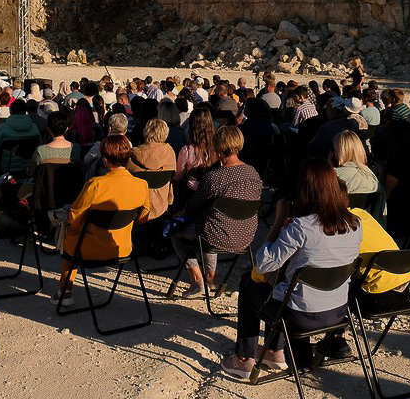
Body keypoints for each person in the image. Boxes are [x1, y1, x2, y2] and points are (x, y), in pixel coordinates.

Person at [219, 158, 363, 379]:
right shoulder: (355, 224)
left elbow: (264, 263)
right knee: (283, 284)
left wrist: (277, 222)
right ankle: (273, 352)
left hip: (300, 315)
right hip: (337, 311)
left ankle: (244, 357)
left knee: (249, 282)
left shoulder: (301, 227)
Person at [54, 134, 150, 306]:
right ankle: (64, 291)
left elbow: (75, 217)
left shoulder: (95, 184)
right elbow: (144, 216)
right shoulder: (141, 185)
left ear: (105, 161)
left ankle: (65, 290)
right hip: (123, 247)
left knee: (69, 233)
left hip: (90, 249)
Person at [170, 125, 262, 298]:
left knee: (178, 232)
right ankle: (211, 279)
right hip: (245, 235)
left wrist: (178, 215)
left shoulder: (215, 177)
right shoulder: (253, 174)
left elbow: (191, 207)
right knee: (211, 222)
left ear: (218, 146)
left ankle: (198, 280)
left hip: (216, 235)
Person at [126, 118, 178, 218]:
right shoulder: (170, 153)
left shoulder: (132, 155)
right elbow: (170, 180)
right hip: (161, 207)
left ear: (146, 131)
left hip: (137, 210)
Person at [0, 99, 39, 175]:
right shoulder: (34, 128)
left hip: (4, 169)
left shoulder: (3, 128)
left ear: (11, 111)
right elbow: (40, 148)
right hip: (27, 168)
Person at [28, 109, 79, 174]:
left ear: (48, 129)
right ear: (66, 129)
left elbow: (31, 172)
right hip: (71, 184)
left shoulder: (40, 151)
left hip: (47, 183)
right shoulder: (76, 149)